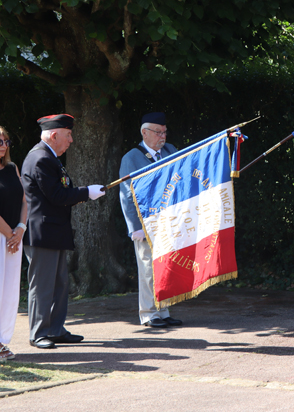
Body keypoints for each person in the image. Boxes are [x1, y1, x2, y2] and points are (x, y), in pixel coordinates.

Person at [21, 114, 106, 349]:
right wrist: (86, 192)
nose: (71, 140)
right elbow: (57, 195)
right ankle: (39, 333)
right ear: (54, 135)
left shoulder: (49, 157)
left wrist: (84, 192)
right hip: (43, 233)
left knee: (59, 284)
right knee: (43, 285)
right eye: (68, 135)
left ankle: (55, 329)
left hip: (53, 231)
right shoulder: (41, 158)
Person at [119, 112, 182, 328]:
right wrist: (134, 227)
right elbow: (127, 194)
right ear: (144, 133)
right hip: (145, 223)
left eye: (164, 132)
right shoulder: (131, 158)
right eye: (158, 132)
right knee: (148, 268)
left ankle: (163, 311)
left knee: (166, 267)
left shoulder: (170, 151)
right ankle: (148, 313)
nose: (162, 137)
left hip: (168, 221)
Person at [0, 126, 28, 361]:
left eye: (6, 142)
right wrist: (10, 234)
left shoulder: (12, 168)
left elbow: (24, 200)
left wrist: (20, 229)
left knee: (9, 292)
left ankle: (1, 341)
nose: (3, 146)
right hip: (5, 236)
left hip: (13, 238)